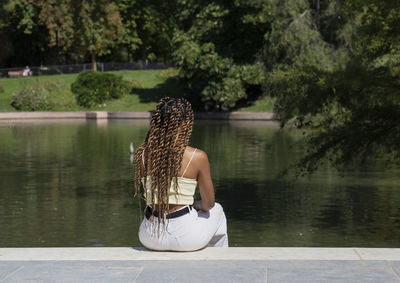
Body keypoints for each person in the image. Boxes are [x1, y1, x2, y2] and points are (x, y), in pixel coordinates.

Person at [133, 97, 228, 251]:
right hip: (186, 239)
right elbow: (208, 204)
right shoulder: (197, 157)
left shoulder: (143, 155)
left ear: (156, 122)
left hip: (149, 237)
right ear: (187, 123)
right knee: (217, 209)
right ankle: (218, 260)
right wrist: (196, 205)